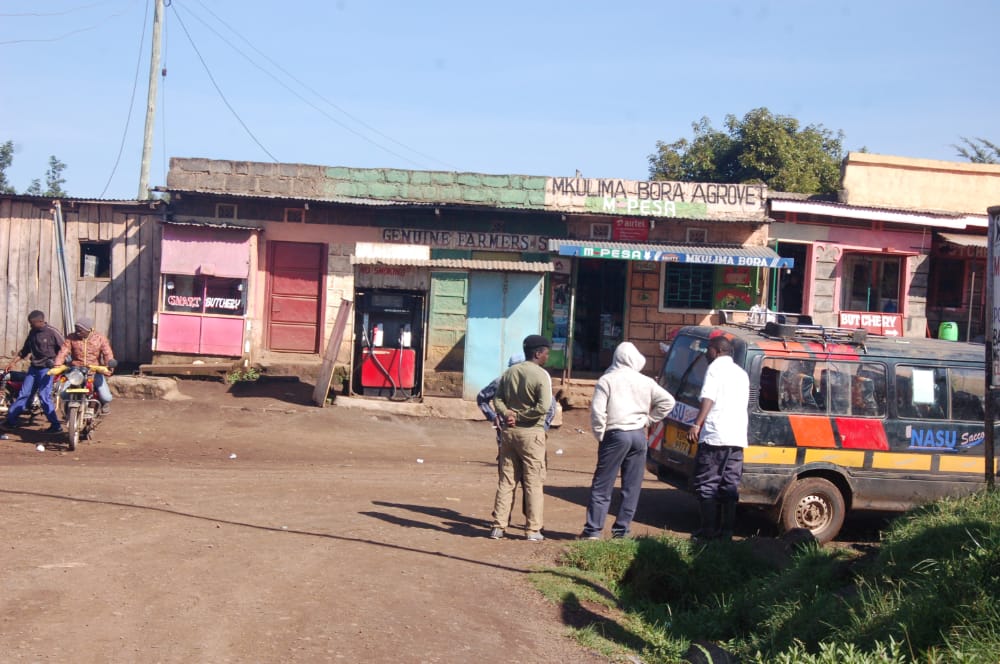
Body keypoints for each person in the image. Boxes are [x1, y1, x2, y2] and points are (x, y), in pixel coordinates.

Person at [580, 342, 675, 540]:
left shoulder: (607, 380)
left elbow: (598, 412)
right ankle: (621, 531)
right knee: (631, 486)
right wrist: (649, 420)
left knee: (602, 485)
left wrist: (600, 435)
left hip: (616, 435)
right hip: (638, 436)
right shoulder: (646, 381)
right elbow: (668, 402)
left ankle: (593, 531)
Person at [487, 335, 552, 542]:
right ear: (537, 353)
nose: (547, 357)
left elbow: (497, 399)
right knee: (533, 482)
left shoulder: (510, 372)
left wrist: (508, 414)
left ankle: (498, 527)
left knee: (506, 481)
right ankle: (533, 530)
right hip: (531, 434)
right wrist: (520, 416)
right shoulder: (541, 375)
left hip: (509, 434)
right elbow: (543, 407)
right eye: (546, 353)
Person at [686, 334, 750, 542]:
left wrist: (697, 424)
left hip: (715, 436)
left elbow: (709, 398)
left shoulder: (715, 369)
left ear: (718, 351)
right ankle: (727, 533)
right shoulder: (741, 373)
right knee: (729, 485)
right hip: (737, 437)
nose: (706, 353)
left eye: (708, 349)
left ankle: (708, 533)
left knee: (707, 484)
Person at [2, 310, 65, 433]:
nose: (30, 326)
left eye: (32, 323)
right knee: (23, 394)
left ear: (40, 321)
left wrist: (58, 364)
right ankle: (11, 421)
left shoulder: (53, 332)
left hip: (47, 369)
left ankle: (56, 426)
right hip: (33, 368)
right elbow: (25, 350)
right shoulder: (32, 333)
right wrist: (13, 362)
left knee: (44, 396)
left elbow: (65, 349)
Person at [53, 316, 115, 413]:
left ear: (88, 330)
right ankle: (70, 406)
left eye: (80, 330)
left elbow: (107, 353)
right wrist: (57, 365)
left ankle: (102, 403)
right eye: (76, 330)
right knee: (63, 394)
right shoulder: (71, 338)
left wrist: (109, 367)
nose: (77, 332)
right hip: (76, 370)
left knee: (106, 397)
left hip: (94, 370)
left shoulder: (100, 338)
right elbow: (63, 351)